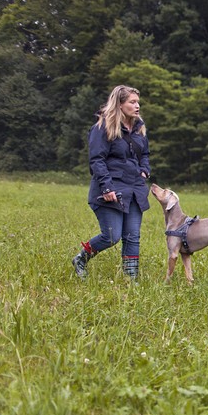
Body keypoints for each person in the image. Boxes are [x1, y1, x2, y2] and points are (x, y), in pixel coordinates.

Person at [71, 85, 152, 281]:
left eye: (137, 102)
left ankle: (130, 280)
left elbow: (145, 154)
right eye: (132, 102)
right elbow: (97, 160)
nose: (137, 106)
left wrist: (144, 170)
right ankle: (81, 259)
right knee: (111, 236)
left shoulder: (139, 128)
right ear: (120, 104)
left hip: (135, 190)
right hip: (110, 190)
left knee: (133, 236)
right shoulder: (102, 127)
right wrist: (107, 187)